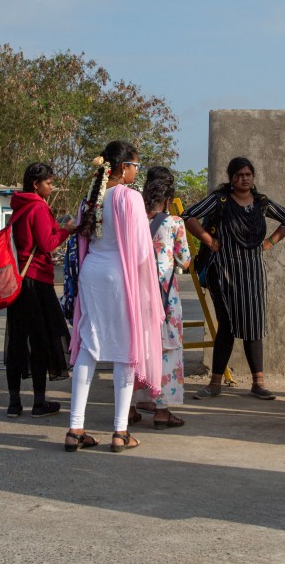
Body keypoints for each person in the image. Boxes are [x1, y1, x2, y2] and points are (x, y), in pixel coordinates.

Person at [65, 141, 164, 452]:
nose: (137, 170)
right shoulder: (130, 197)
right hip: (120, 275)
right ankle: (120, 432)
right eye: (135, 165)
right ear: (123, 168)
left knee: (88, 344)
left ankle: (75, 427)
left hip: (92, 271)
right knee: (126, 348)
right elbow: (138, 250)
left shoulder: (92, 198)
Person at [183, 157, 285, 401]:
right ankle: (214, 383)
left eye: (248, 174)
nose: (244, 178)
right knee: (228, 324)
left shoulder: (261, 203)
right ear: (231, 178)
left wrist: (270, 242)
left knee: (253, 324)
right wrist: (208, 240)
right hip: (223, 271)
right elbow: (188, 215)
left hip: (253, 271)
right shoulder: (219, 200)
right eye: (239, 174)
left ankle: (259, 383)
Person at [4, 163, 75, 418]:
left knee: (17, 342)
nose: (51, 186)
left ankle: (14, 403)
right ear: (36, 184)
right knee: (41, 341)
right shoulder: (38, 207)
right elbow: (46, 244)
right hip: (37, 280)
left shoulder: (18, 208)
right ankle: (39, 402)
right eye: (49, 182)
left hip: (18, 282)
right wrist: (67, 231)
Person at [132, 174, 192, 429]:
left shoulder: (134, 222)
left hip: (136, 296)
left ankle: (131, 408)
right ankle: (162, 410)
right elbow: (184, 260)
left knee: (136, 351)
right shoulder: (174, 222)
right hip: (165, 296)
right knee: (167, 351)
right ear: (168, 200)